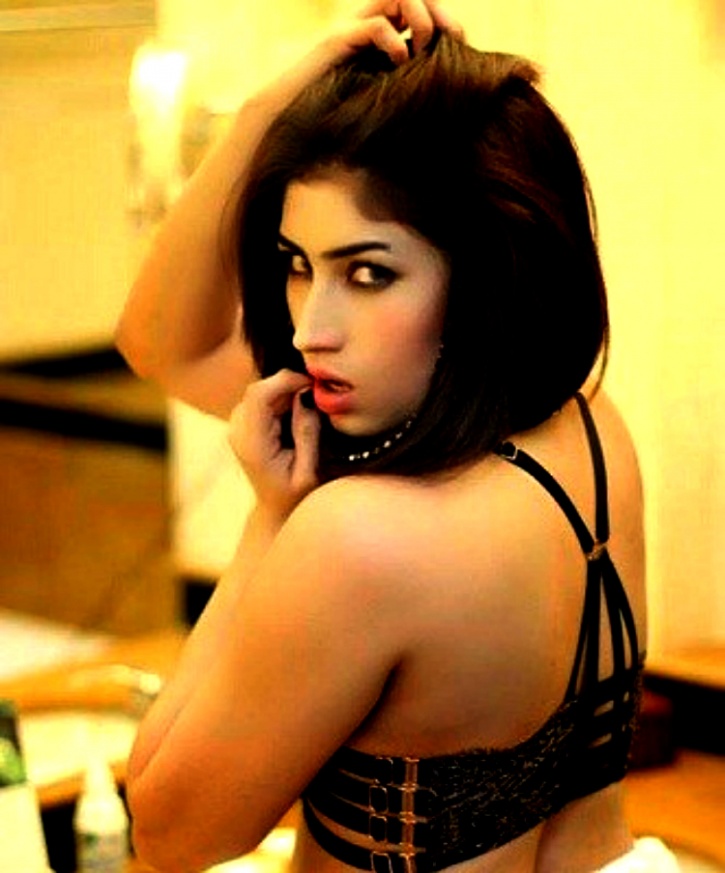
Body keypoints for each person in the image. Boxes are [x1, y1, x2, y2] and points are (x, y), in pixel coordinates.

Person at [117, 2, 679, 871]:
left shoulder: (363, 539)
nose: (311, 329)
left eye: (368, 273)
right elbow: (161, 342)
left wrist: (272, 521)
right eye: (297, 264)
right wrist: (270, 112)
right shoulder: (590, 427)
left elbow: (167, 832)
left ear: (485, 272)